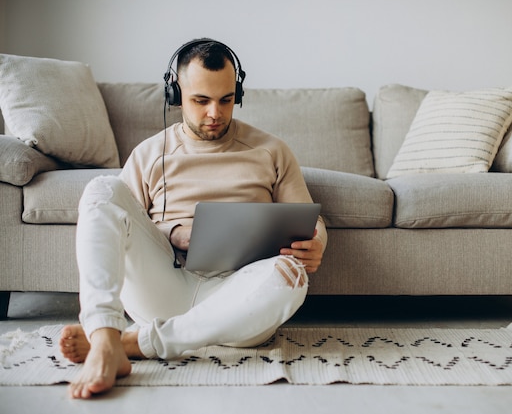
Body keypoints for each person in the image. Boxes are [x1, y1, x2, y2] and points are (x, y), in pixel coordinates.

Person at [58, 38, 327, 399]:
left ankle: (136, 343)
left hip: (240, 298)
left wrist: (316, 243)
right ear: (176, 93)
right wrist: (174, 232)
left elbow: (307, 218)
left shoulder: (272, 151)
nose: (215, 113)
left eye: (226, 100)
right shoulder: (150, 153)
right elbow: (117, 225)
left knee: (292, 276)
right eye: (201, 100)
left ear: (238, 93)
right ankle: (105, 337)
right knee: (102, 189)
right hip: (165, 284)